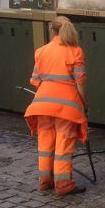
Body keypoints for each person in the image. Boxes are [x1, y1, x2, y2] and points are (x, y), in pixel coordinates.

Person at [24, 16, 88, 196]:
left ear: (52, 30)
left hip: (42, 105)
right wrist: (84, 103)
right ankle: (64, 185)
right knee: (63, 145)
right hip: (67, 108)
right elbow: (80, 82)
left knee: (45, 144)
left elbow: (35, 80)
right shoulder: (75, 51)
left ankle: (45, 181)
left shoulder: (41, 51)